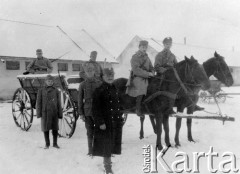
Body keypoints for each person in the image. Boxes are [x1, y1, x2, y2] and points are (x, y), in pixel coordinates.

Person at [92, 68, 124, 174]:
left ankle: (108, 160)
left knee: (112, 144)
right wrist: (100, 122)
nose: (110, 77)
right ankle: (107, 167)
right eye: (108, 76)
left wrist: (119, 117)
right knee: (106, 145)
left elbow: (117, 104)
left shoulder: (114, 88)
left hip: (114, 121)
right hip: (105, 123)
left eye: (112, 75)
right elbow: (95, 109)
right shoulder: (99, 90)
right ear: (103, 77)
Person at [78, 62, 102, 156]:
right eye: (88, 71)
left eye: (91, 70)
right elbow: (80, 100)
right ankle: (90, 151)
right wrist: (81, 113)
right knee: (89, 132)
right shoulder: (82, 85)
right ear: (85, 72)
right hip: (87, 112)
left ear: (94, 71)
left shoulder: (99, 83)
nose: (90, 72)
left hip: (98, 112)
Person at [126, 40, 154, 117]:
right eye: (142, 47)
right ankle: (137, 108)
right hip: (138, 77)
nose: (144, 49)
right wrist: (147, 74)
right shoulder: (135, 57)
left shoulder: (147, 57)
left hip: (147, 77)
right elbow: (136, 70)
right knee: (141, 86)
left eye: (145, 47)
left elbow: (151, 67)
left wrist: (152, 72)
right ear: (139, 47)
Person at [36, 75, 62, 149]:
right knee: (46, 129)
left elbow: (59, 103)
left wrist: (60, 113)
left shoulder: (56, 90)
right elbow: (39, 102)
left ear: (53, 82)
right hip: (45, 112)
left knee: (55, 128)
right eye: (48, 81)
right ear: (45, 82)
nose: (50, 82)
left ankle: (55, 143)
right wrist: (39, 113)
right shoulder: (41, 90)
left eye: (51, 81)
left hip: (54, 112)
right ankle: (47, 144)